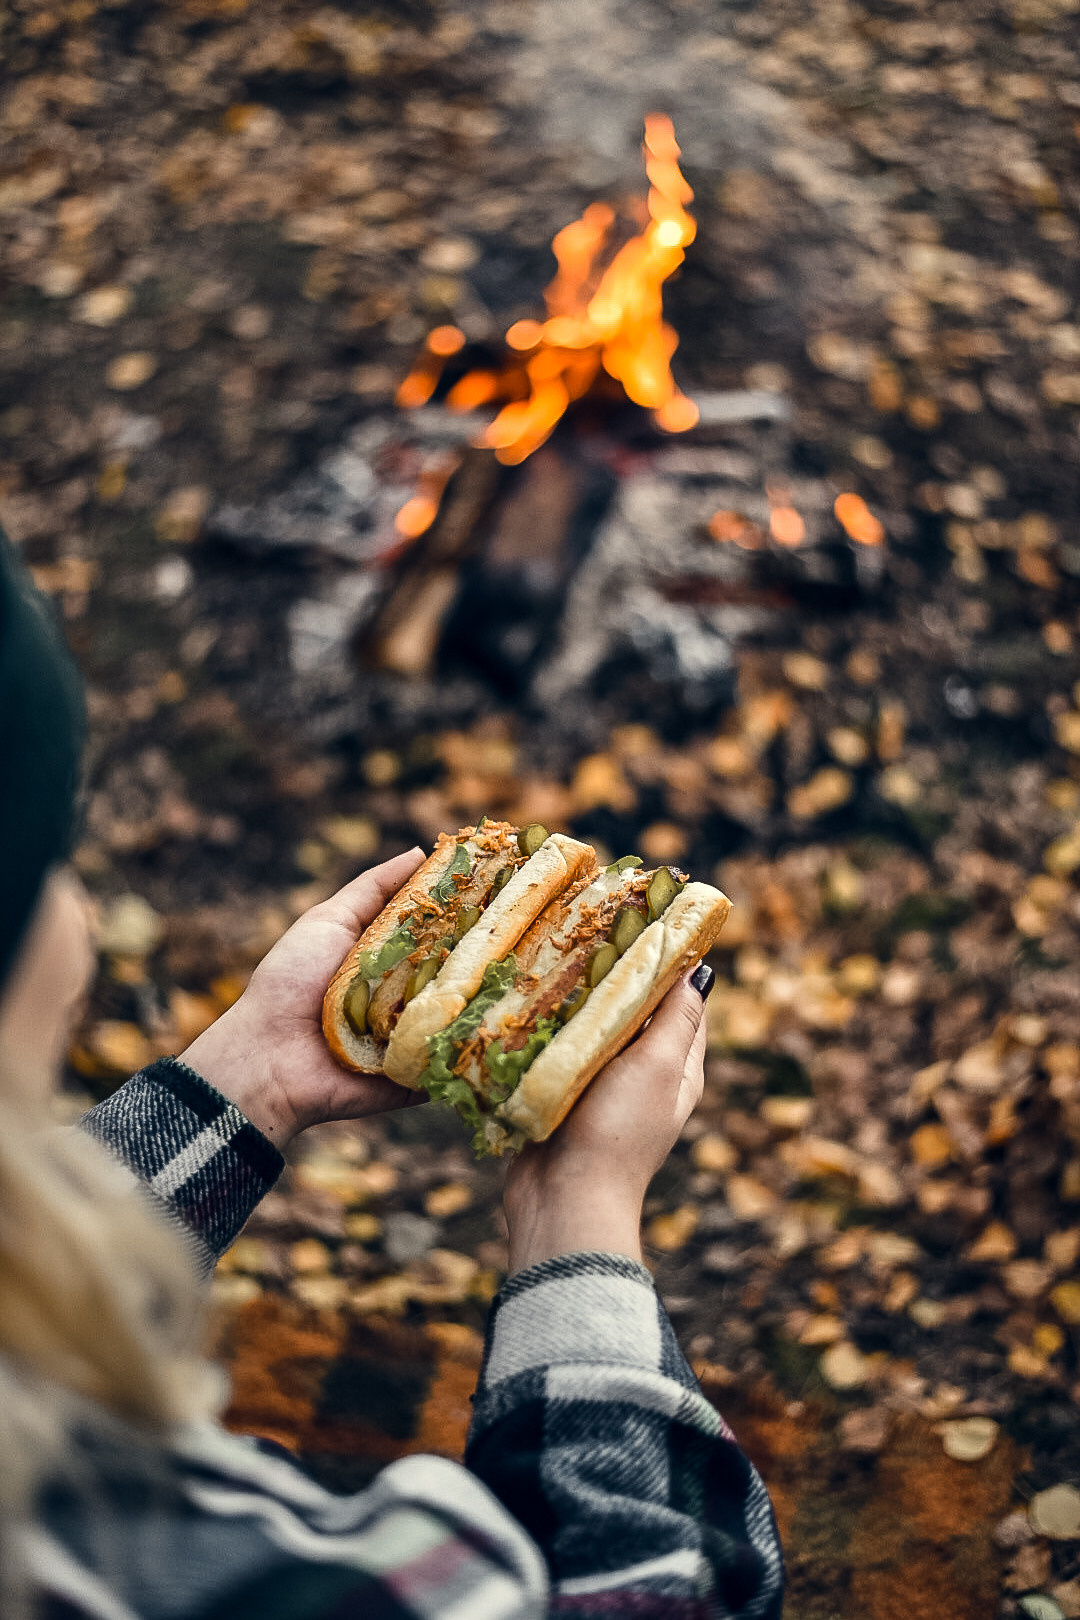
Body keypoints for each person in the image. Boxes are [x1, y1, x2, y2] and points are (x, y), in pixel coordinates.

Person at [0, 527, 784, 1619]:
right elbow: (662, 1592)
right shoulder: (222, 1574)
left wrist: (250, 1078)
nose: (80, 914)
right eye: (51, 856)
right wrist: (582, 1213)